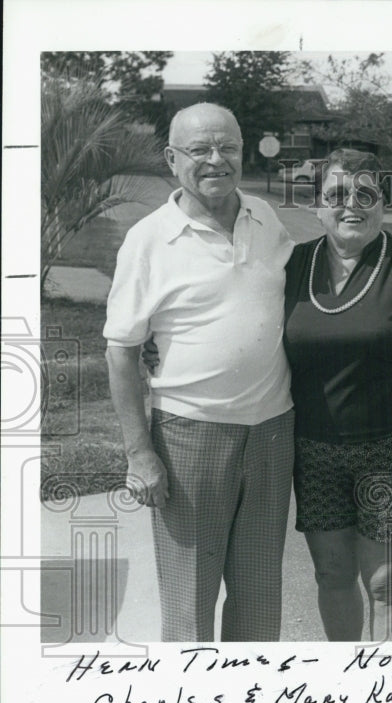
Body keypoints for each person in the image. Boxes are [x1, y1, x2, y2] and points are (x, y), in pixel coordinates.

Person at [104, 103, 295, 642]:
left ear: (242, 151)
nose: (217, 160)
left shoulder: (265, 217)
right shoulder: (148, 239)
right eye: (200, 150)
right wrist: (140, 454)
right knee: (189, 606)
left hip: (273, 433)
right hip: (190, 438)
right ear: (171, 158)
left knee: (259, 601)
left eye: (228, 148)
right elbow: (121, 352)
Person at [283, 149, 392, 641]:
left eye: (366, 194)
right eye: (337, 194)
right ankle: (346, 689)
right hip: (314, 450)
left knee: (387, 584)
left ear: (382, 203)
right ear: (317, 205)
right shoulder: (293, 265)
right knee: (332, 576)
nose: (351, 206)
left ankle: (390, 696)